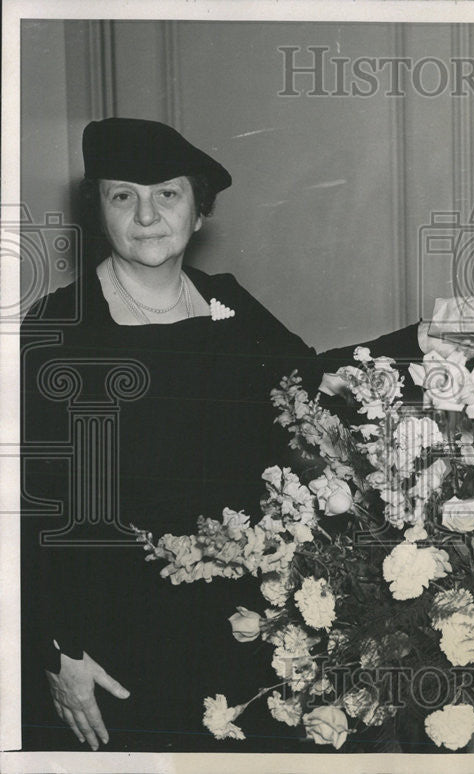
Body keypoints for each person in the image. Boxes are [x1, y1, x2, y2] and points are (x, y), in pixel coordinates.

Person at [20, 117, 317, 752]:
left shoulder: (228, 306)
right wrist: (54, 652)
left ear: (199, 212)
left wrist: (424, 340)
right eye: (123, 195)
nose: (147, 214)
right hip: (109, 640)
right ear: (100, 210)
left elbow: (314, 381)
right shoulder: (57, 329)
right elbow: (25, 504)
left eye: (169, 194)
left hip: (234, 624)